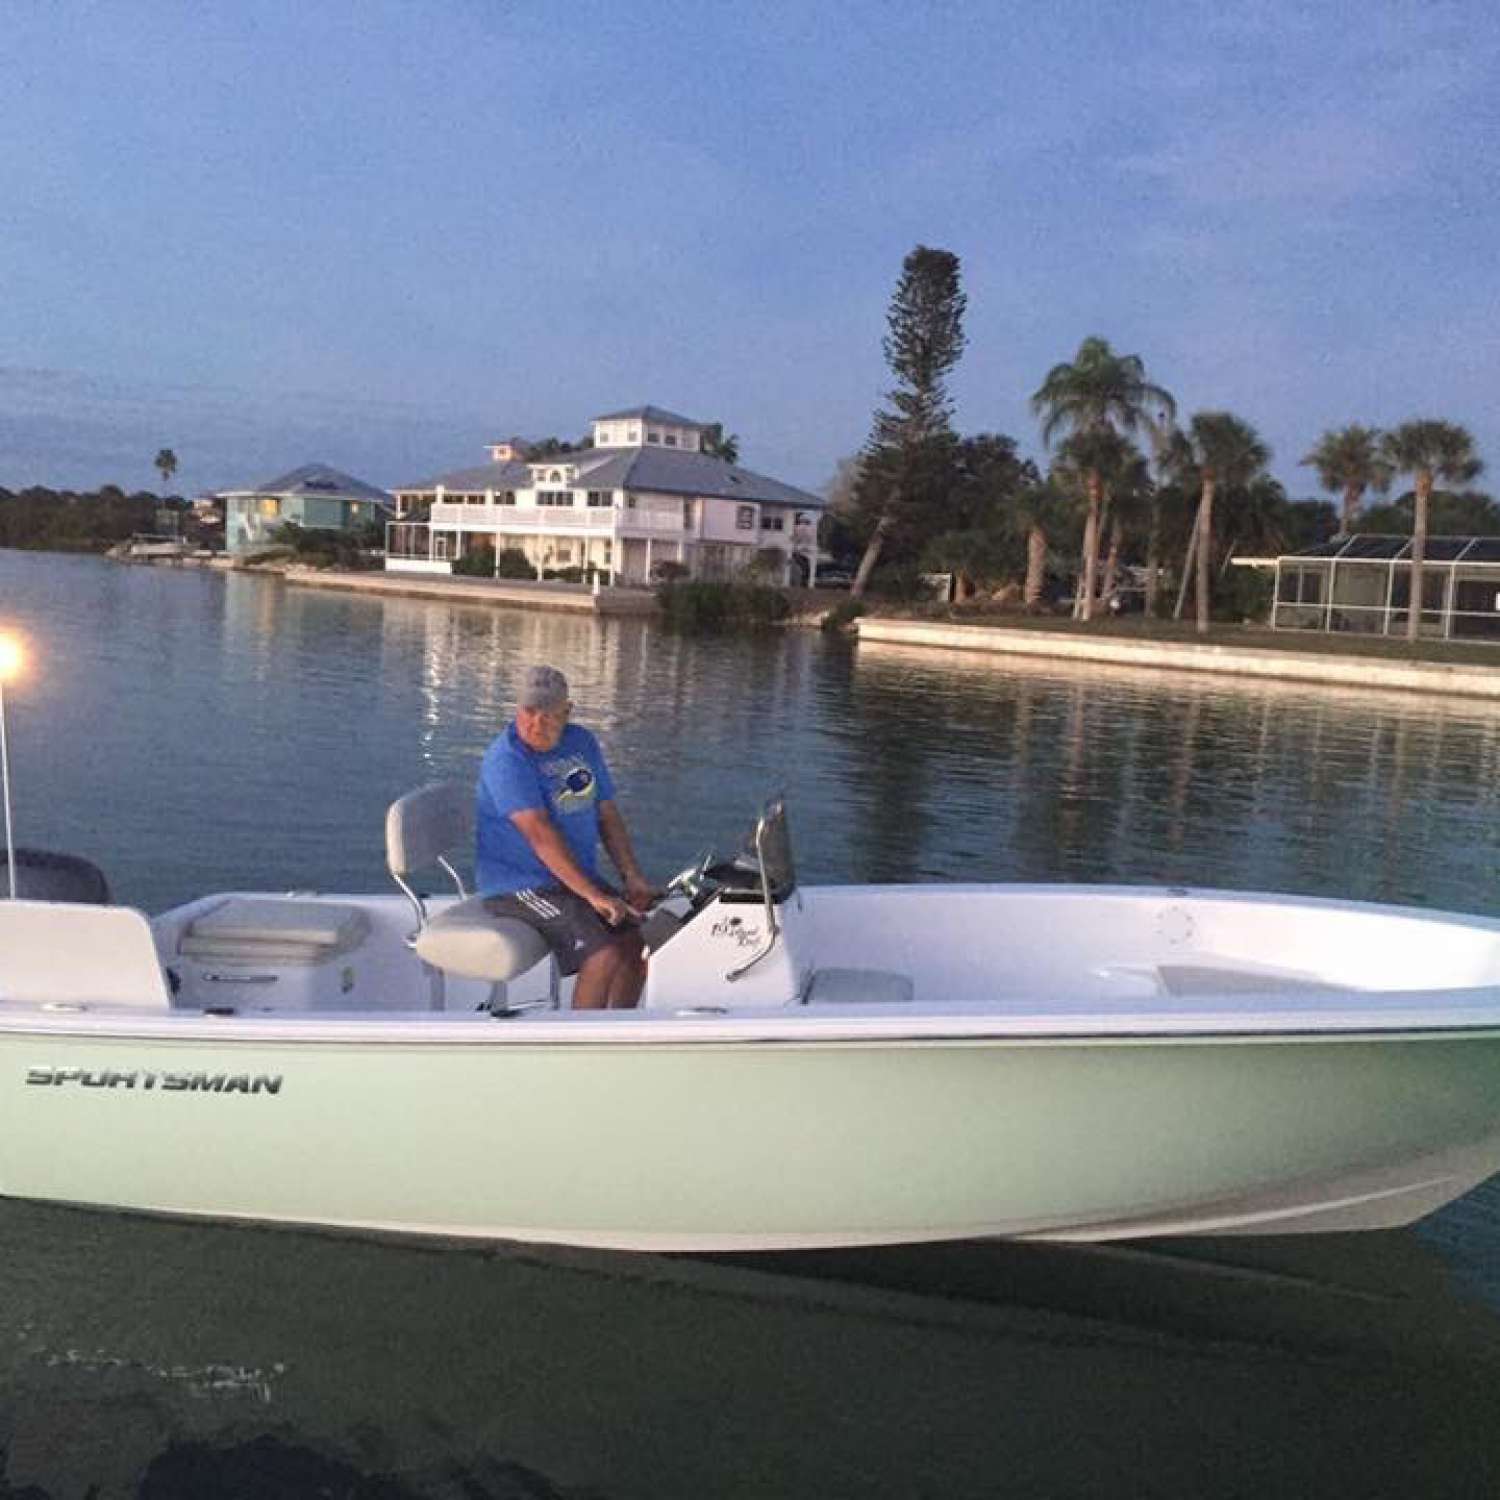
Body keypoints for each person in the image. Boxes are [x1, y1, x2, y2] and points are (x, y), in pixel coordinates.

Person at [476, 665, 653, 1009]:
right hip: (520, 885)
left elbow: (607, 813)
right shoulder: (507, 760)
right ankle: (584, 1050)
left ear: (566, 712)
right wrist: (593, 896)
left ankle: (618, 1031)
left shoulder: (581, 742)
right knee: (604, 951)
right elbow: (540, 835)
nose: (535, 723)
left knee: (639, 940)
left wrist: (631, 876)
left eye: (547, 715)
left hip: (571, 878)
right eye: (528, 711)